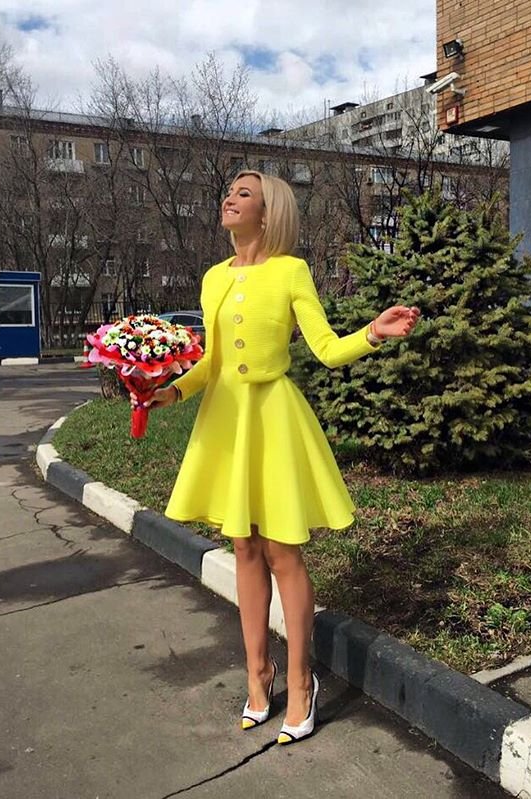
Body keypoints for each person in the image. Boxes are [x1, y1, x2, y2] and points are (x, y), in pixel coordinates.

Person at [132, 170, 421, 745]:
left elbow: (326, 349)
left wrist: (373, 332)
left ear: (269, 213)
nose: (229, 198)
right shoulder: (213, 277)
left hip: (273, 417)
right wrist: (171, 392)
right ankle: (257, 675)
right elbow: (212, 362)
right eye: (229, 192)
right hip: (227, 420)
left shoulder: (291, 271)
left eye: (243, 194)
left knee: (282, 550)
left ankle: (300, 678)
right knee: (243, 546)